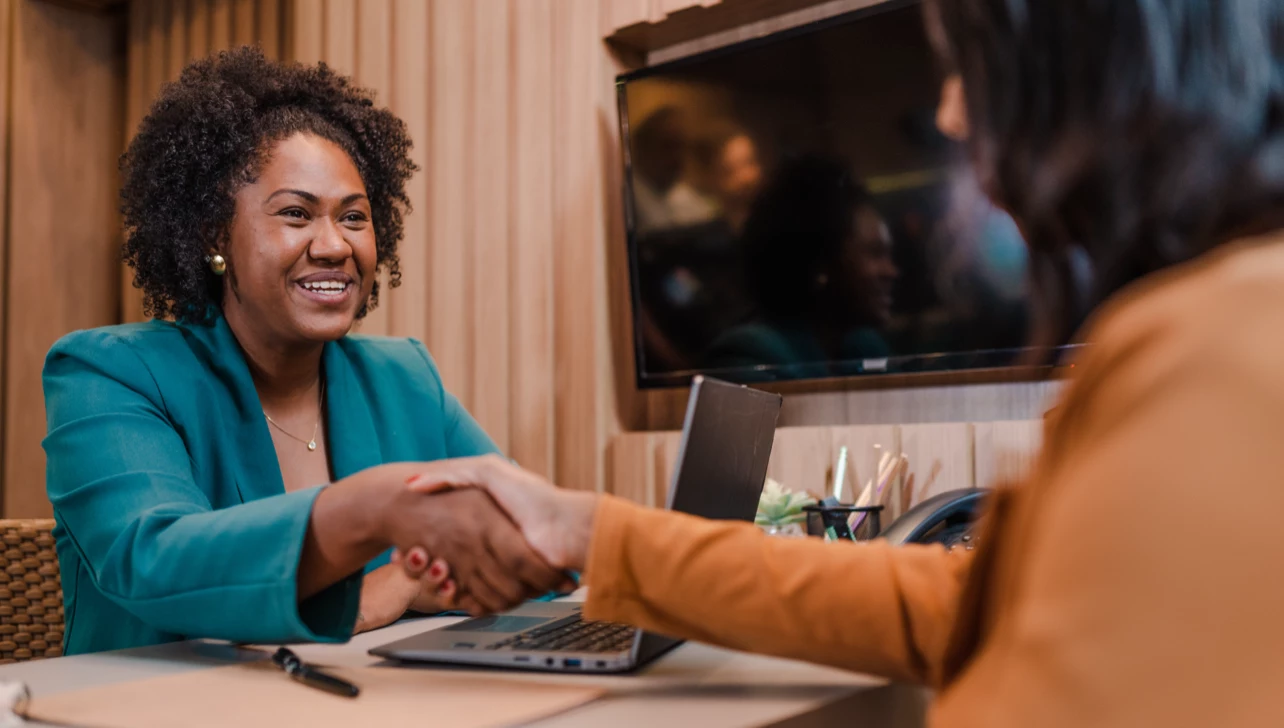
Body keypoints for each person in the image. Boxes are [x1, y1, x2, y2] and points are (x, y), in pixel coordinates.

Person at [401, 1, 1284, 724]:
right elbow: (958, 603)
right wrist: (591, 528)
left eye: (964, 65)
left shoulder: (1220, 355)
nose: (949, 113)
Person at [42, 47, 566, 656]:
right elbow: (153, 561)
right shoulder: (109, 372)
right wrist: (372, 564)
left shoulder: (405, 379)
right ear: (215, 234)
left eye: (354, 217)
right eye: (295, 213)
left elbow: (531, 546)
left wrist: (436, 578)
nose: (334, 245)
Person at [702, 155, 899, 379]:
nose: (891, 271)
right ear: (820, 264)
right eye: (875, 253)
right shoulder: (750, 356)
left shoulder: (864, 346)